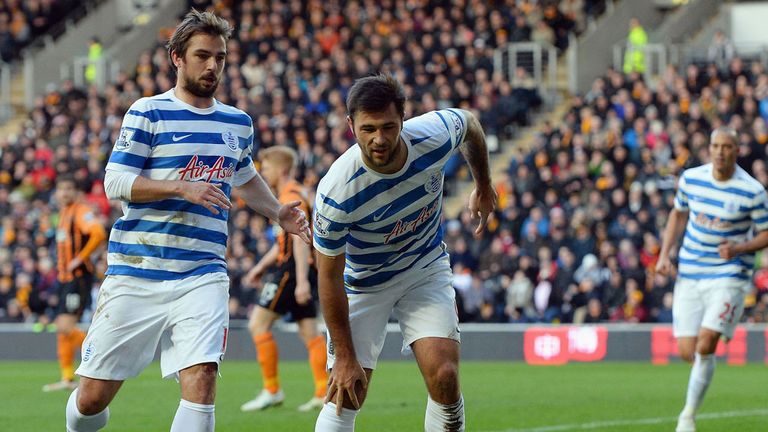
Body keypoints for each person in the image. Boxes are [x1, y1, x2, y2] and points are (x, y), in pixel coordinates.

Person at [64, 9, 310, 432]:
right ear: (177, 57)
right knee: (90, 400)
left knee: (202, 379)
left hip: (202, 274)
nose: (213, 65)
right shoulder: (148, 113)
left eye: (220, 57)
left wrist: (277, 211)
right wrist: (182, 187)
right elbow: (115, 181)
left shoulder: (238, 122)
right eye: (202, 56)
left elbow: (245, 176)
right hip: (137, 272)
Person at [312, 74, 497, 431]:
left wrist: (484, 184)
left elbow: (470, 125)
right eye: (368, 129)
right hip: (365, 283)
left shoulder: (433, 134)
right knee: (347, 392)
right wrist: (345, 355)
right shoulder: (337, 191)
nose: (379, 139)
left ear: (403, 119)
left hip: (424, 267)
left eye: (388, 127)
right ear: (351, 125)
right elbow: (329, 276)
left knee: (445, 376)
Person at [656, 126, 768, 432]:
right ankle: (700, 382)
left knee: (706, 345)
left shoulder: (752, 191)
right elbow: (678, 214)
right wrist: (664, 255)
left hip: (729, 273)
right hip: (691, 270)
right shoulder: (691, 179)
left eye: (727, 147)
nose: (720, 152)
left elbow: (766, 233)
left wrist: (739, 248)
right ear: (709, 148)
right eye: (715, 146)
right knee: (686, 351)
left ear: (736, 150)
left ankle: (687, 416)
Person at [240, 145, 328, 413]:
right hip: (299, 268)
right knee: (309, 332)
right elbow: (285, 239)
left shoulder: (289, 195)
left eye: (266, 168)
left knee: (258, 325)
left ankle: (272, 390)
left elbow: (297, 240)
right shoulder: (298, 192)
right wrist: (261, 266)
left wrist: (300, 280)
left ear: (282, 170)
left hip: (291, 270)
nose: (263, 173)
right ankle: (324, 391)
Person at [42, 174, 106, 392]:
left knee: (65, 327)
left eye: (69, 188)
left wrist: (80, 258)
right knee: (62, 331)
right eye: (61, 189)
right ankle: (67, 378)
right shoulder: (63, 214)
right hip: (64, 279)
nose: (64, 193)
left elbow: (97, 233)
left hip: (78, 277)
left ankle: (101, 350)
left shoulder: (80, 212)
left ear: (76, 192)